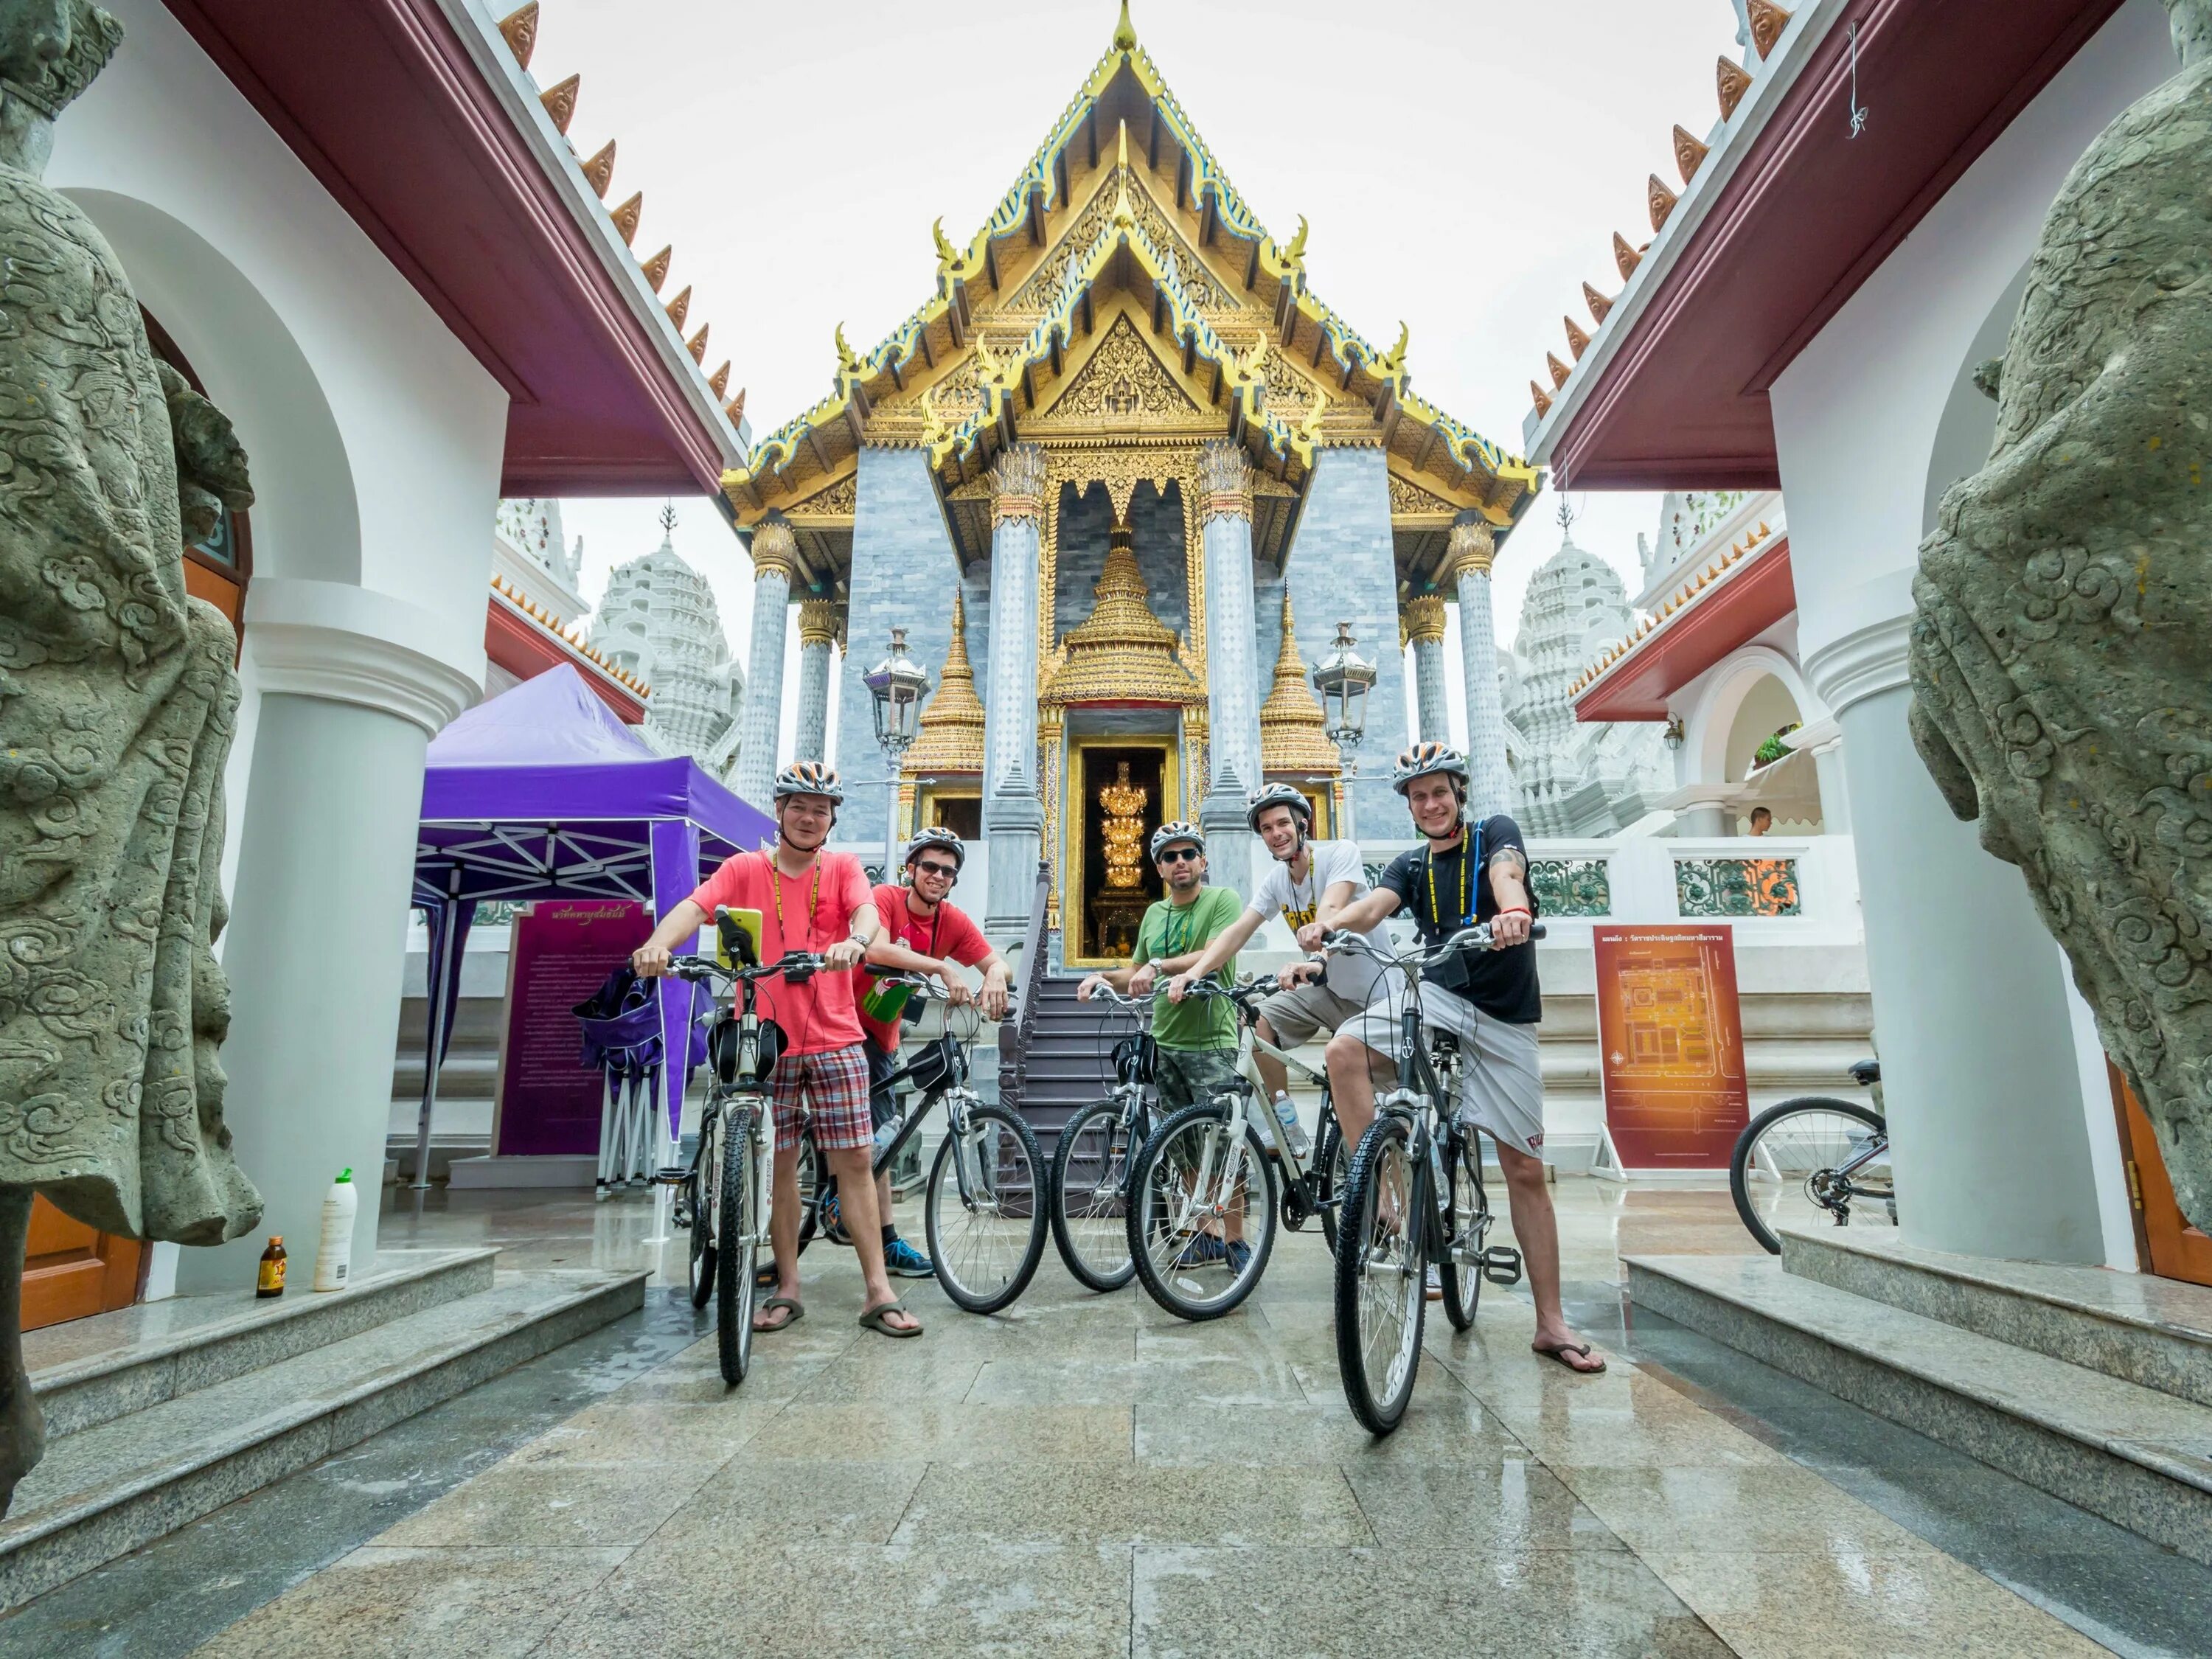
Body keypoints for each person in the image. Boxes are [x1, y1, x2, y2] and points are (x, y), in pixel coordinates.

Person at [1318, 742, 1606, 1374]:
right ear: (1409, 807)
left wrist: (1515, 912)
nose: (1430, 804)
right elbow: (1374, 908)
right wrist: (1332, 925)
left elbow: (1508, 871)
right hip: (1440, 998)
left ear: (1458, 793)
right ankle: (1386, 1197)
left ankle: (1550, 1322)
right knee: (1343, 1051)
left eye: (1439, 792)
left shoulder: (1494, 835)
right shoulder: (1409, 865)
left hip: (1505, 1017)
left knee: (1524, 1168)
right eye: (1418, 796)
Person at [630, 762, 921, 1340]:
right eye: (798, 807)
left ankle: (878, 1289)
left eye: (820, 810)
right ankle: (788, 1285)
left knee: (856, 1162)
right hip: (764, 1038)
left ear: (832, 820)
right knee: (779, 1164)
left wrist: (857, 941)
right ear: (780, 811)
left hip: (837, 1036)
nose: (809, 818)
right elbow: (695, 907)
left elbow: (865, 910)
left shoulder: (840, 869)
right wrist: (656, 945)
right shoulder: (743, 868)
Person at [1163, 785, 1392, 1153]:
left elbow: (1331, 911)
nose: (1276, 833)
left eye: (1283, 822)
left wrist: (1316, 958)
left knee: (1381, 1123)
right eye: (1267, 828)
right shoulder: (1277, 882)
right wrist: (1196, 971)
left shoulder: (1339, 853)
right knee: (1256, 1021)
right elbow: (1238, 931)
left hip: (1379, 998)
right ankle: (1288, 1123)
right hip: (1331, 994)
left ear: (1303, 823)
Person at [1075, 821, 1249, 1270]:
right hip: (1165, 1041)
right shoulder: (1154, 914)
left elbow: (1214, 953)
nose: (1180, 863)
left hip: (1212, 1039)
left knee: (1225, 1140)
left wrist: (1157, 964)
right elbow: (1133, 970)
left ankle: (1236, 1239)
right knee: (1185, 1145)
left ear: (1202, 861)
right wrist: (1100, 976)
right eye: (1170, 857)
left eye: (1188, 854)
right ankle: (1205, 1233)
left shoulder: (1222, 901)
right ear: (1159, 868)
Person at [852, 825, 1013, 1279]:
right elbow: (875, 949)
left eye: (948, 871)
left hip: (884, 1034)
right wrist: (941, 966)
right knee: (862, 1139)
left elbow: (992, 959)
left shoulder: (952, 921)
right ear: (911, 869)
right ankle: (860, 1219)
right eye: (930, 867)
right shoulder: (884, 897)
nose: (939, 876)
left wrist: (997, 975)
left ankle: (885, 1241)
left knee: (881, 1139)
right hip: (843, 1024)